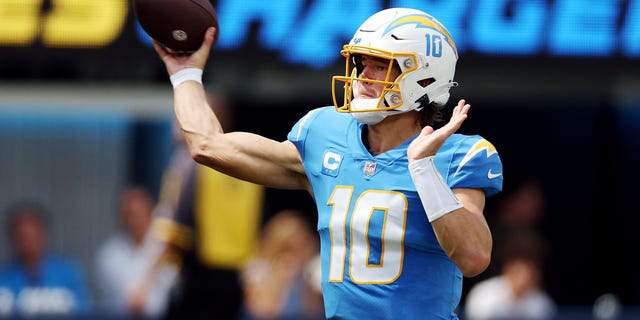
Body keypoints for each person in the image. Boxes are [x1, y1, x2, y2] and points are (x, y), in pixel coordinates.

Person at [152, 7, 503, 319]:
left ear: (423, 78)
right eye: (362, 62)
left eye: (380, 66)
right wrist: (185, 76)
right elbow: (207, 145)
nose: (363, 76)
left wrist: (424, 170)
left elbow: (473, 258)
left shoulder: (456, 154)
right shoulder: (325, 133)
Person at [130, 90, 266, 320]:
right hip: (234, 284)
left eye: (180, 117)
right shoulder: (247, 166)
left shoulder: (189, 162)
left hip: (197, 279)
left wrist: (145, 283)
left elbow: (174, 231)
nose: (176, 125)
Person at [94, 185, 175, 319]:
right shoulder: (108, 255)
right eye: (130, 215)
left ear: (151, 213)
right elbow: (135, 303)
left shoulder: (167, 243)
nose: (135, 221)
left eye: (140, 213)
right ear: (121, 218)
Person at [0, 201, 92, 318]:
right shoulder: (3, 279)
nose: (28, 243)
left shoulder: (68, 273)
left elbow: (85, 312)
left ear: (44, 234)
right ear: (12, 239)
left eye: (32, 237)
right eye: (22, 238)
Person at [241, 209, 324, 320]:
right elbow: (263, 311)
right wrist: (280, 278)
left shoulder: (313, 271)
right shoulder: (258, 270)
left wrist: (307, 281)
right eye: (287, 248)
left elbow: (314, 311)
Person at [464, 230, 556, 320]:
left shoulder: (542, 303)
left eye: (530, 270)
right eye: (518, 271)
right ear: (507, 268)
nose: (524, 276)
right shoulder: (483, 294)